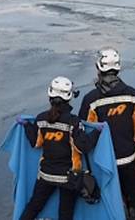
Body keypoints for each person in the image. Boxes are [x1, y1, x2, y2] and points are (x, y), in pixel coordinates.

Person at [79, 48, 135, 220]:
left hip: (104, 163)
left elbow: (85, 132)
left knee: (109, 201)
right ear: (118, 69)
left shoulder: (91, 100)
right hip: (128, 158)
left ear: (99, 69)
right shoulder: (133, 95)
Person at [19, 76, 101, 220]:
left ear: (49, 95)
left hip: (45, 175)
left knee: (34, 207)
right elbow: (84, 147)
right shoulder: (73, 122)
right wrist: (97, 132)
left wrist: (26, 126)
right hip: (69, 178)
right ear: (69, 97)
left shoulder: (41, 119)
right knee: (65, 214)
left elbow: (35, 143)